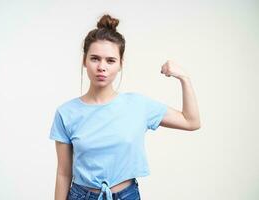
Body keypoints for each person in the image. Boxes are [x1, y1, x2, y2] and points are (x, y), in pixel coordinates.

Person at [49, 14, 201, 200]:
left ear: (120, 64)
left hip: (126, 195)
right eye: (95, 59)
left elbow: (191, 121)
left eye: (110, 60)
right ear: (84, 61)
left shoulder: (138, 105)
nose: (102, 67)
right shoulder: (66, 113)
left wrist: (184, 78)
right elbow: (63, 173)